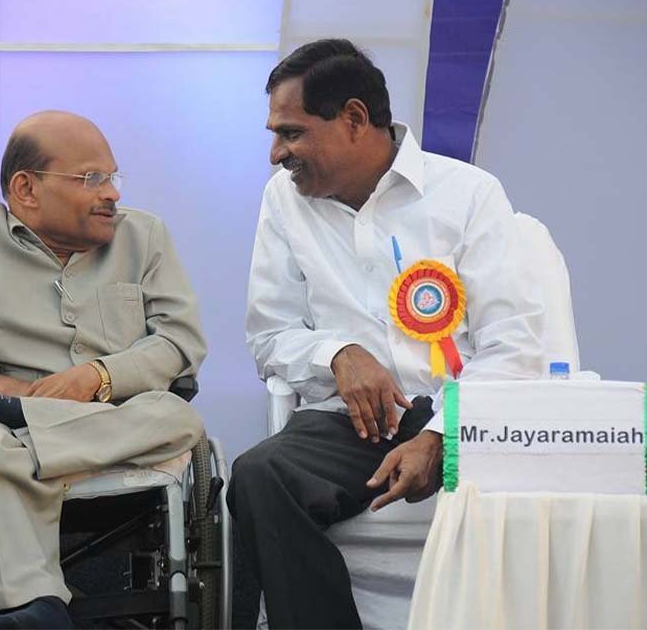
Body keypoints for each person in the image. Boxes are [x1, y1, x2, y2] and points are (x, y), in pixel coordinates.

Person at [227, 39, 545, 628]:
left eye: (291, 133)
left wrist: (443, 435)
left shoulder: (469, 194)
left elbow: (515, 345)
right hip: (351, 425)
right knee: (259, 475)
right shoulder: (283, 201)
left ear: (353, 118)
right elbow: (269, 334)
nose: (276, 154)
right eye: (275, 135)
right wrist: (338, 353)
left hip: (465, 419)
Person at [0, 110, 207, 629]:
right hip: (6, 433)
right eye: (92, 178)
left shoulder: (144, 237)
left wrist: (96, 377)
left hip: (110, 419)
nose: (112, 194)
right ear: (26, 188)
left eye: (112, 177)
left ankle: (4, 413)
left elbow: (180, 344)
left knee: (179, 418)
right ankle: (37, 606)